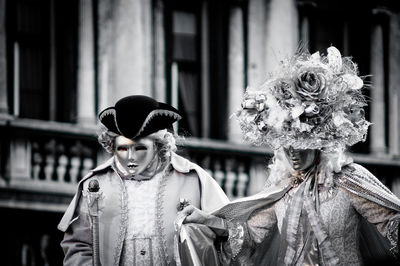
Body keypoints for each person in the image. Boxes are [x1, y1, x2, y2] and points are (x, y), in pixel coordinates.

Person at [177, 47, 400, 265]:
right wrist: (205, 220)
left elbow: (391, 222)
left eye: (300, 146)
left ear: (318, 146)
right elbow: (249, 235)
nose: (293, 155)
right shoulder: (283, 189)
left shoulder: (348, 180)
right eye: (286, 147)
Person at [57, 95, 228, 265]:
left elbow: (231, 235)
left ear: (159, 146)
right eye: (123, 148)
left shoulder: (194, 180)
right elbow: (78, 247)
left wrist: (207, 222)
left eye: (140, 148)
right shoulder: (96, 184)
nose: (130, 157)